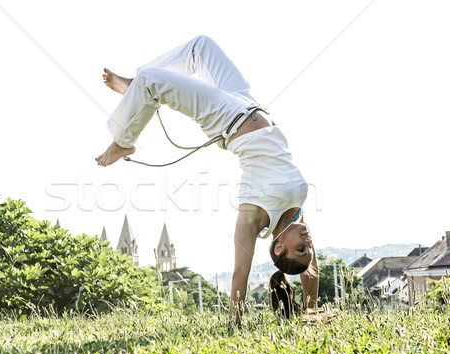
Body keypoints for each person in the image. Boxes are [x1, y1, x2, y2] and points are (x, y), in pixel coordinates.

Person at [96, 35, 319, 322]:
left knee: (152, 80)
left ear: (278, 247)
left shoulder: (255, 216)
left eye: (300, 248)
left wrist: (235, 323)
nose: (308, 240)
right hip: (248, 102)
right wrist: (310, 310)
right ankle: (133, 90)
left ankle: (123, 139)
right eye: (308, 248)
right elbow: (310, 270)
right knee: (200, 47)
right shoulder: (295, 212)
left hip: (225, 117)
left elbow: (240, 273)